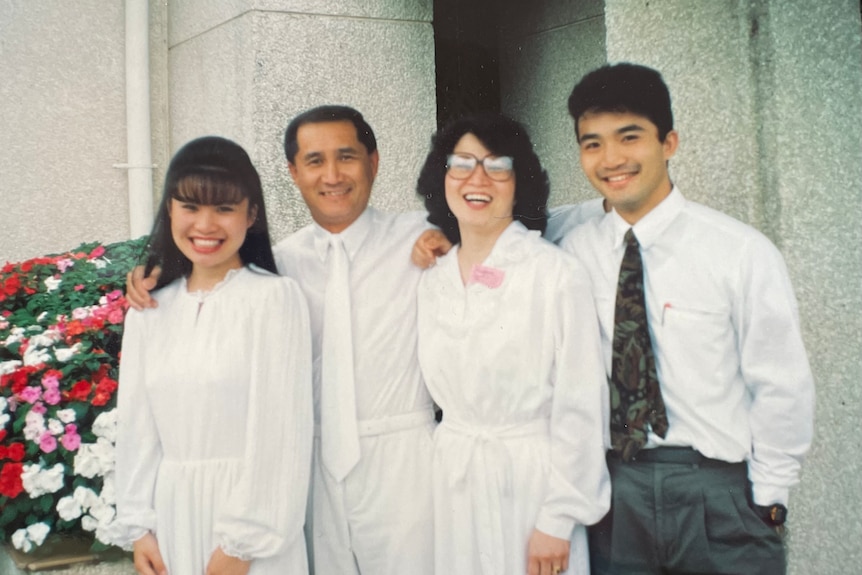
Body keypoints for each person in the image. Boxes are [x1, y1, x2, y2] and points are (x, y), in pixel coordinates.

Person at [126, 107, 436, 575]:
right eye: (314, 160)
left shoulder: (420, 239)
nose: (331, 175)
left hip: (400, 463)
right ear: (293, 172)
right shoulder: (283, 264)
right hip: (307, 475)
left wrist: (459, 243)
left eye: (346, 157)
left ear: (373, 162)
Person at [560, 63, 815, 574]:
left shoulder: (738, 251)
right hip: (618, 490)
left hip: (720, 492)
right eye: (593, 144)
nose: (611, 159)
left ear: (668, 142)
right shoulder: (574, 249)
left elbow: (781, 382)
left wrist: (769, 494)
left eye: (628, 137)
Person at [415, 113, 610, 575]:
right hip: (454, 482)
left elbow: (581, 405)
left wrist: (558, 519)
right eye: (461, 163)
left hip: (533, 487)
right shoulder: (432, 280)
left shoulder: (555, 274)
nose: (477, 178)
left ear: (519, 181)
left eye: (497, 164)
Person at [114, 136, 313, 575]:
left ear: (251, 215)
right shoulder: (150, 311)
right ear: (169, 210)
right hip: (171, 521)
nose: (205, 225)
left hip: (251, 527)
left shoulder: (273, 300)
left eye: (224, 208)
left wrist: (242, 543)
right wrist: (139, 528)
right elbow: (137, 429)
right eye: (190, 206)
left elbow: (280, 431)